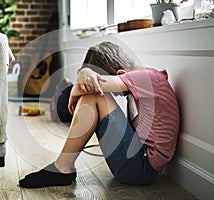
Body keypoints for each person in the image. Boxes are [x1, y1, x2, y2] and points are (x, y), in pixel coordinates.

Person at [19, 42, 180, 188]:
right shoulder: (147, 80)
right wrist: (83, 76)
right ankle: (63, 166)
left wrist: (76, 89)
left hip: (140, 168)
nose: (118, 95)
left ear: (120, 73)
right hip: (139, 163)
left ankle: (62, 167)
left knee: (94, 95)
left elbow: (92, 86)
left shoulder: (146, 79)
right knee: (93, 93)